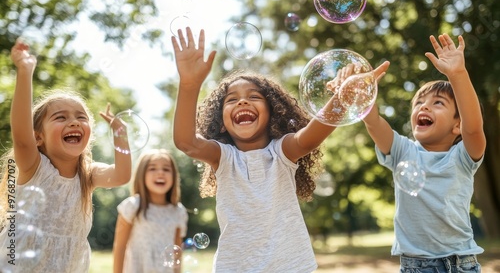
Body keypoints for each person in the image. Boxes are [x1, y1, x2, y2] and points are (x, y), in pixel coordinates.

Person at [171, 27, 389, 272]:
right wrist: (189, 85)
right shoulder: (223, 157)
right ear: (221, 122)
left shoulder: (281, 152)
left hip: (291, 266)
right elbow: (186, 142)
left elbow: (310, 138)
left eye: (254, 97)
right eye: (231, 100)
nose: (242, 101)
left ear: (273, 112)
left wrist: (343, 97)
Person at [0, 38, 132, 273]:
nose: (73, 121)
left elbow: (121, 175)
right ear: (38, 137)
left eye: (80, 117)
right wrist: (25, 71)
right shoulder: (34, 167)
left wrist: (120, 133)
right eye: (60, 117)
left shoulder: (88, 174)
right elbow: (21, 136)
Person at [361, 33, 486, 273]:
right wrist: (363, 97)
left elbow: (473, 127)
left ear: (456, 126)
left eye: (438, 102)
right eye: (419, 103)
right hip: (416, 266)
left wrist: (457, 74)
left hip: (462, 263)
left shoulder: (463, 157)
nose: (424, 106)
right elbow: (375, 123)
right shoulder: (402, 150)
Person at [113, 149, 188, 273]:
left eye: (166, 169)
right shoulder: (132, 206)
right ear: (141, 174)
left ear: (174, 176)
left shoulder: (179, 212)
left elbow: (177, 253)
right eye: (152, 168)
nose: (160, 173)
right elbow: (120, 248)